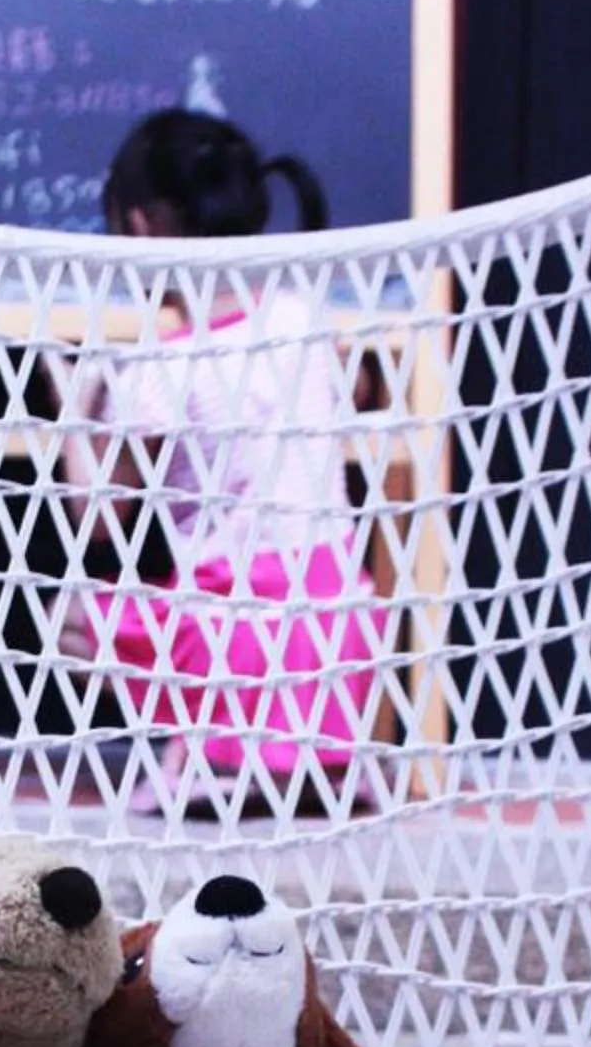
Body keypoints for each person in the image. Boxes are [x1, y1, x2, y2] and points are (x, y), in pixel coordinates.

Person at [56, 108, 384, 813]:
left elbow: (99, 517)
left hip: (232, 641)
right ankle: (315, 760)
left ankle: (209, 752)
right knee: (260, 589)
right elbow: (357, 389)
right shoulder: (300, 317)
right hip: (339, 625)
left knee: (73, 619)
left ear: (140, 225)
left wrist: (77, 408)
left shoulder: (159, 367)